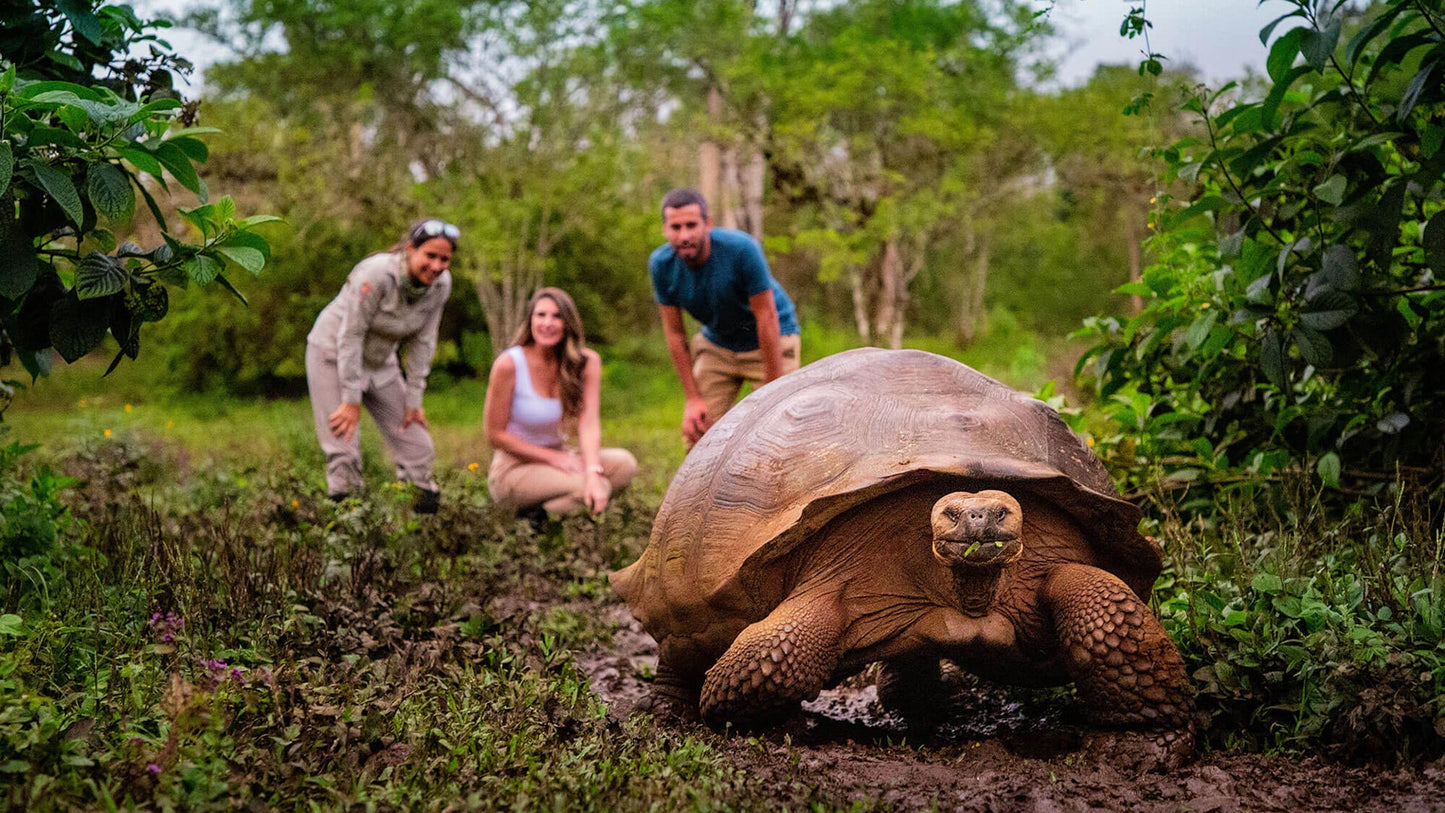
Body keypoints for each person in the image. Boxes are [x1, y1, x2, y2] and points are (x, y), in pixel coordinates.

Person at [305, 218, 457, 513]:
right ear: (411, 249)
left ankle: (419, 525)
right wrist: (351, 399)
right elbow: (351, 335)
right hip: (332, 355)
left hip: (380, 363)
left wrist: (413, 401)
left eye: (444, 259)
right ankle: (347, 529)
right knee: (344, 449)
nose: (436, 266)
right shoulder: (375, 275)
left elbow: (424, 342)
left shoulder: (440, 286)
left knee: (418, 445)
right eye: (430, 256)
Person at [649, 188, 801, 446]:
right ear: (665, 229)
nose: (684, 235)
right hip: (718, 344)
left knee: (780, 431)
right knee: (698, 431)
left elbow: (767, 317)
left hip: (772, 337)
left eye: (691, 225)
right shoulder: (661, 265)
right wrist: (693, 399)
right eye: (676, 227)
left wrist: (773, 392)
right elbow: (675, 334)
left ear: (707, 224)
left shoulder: (742, 250)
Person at [484, 287, 637, 522]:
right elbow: (495, 435)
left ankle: (541, 514)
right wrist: (555, 459)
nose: (548, 323)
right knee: (591, 486)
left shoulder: (586, 362)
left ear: (568, 323)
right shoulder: (509, 364)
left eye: (557, 316)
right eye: (541, 315)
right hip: (514, 469)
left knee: (623, 465)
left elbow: (588, 423)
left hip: (561, 457)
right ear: (530, 320)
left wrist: (592, 470)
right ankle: (541, 522)